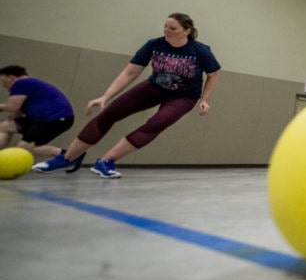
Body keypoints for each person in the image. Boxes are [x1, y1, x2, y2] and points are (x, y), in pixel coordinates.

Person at [34, 13, 220, 179]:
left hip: (184, 96)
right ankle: (67, 158)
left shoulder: (200, 51)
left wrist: (204, 100)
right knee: (109, 113)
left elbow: (213, 75)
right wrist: (105, 96)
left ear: (186, 31)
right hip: (154, 87)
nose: (167, 30)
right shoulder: (154, 45)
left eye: (173, 28)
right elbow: (129, 73)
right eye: (165, 26)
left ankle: (106, 161)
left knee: (156, 123)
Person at [0, 65, 75, 160]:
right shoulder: (30, 85)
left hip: (55, 119)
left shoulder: (21, 83)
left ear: (11, 78)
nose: (4, 86)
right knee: (4, 127)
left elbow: (12, 107)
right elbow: (16, 112)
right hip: (47, 118)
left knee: (24, 147)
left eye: (3, 82)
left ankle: (72, 155)